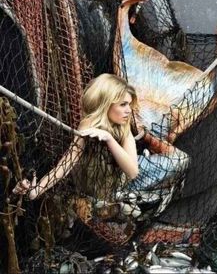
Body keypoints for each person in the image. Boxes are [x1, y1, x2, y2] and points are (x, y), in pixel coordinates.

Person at [12, 73, 140, 202]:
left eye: (129, 104)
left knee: (159, 164)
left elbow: (133, 172)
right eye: (123, 104)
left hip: (124, 182)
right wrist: (37, 190)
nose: (129, 110)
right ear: (106, 104)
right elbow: (67, 162)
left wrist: (109, 139)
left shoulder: (124, 127)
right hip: (97, 189)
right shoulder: (89, 124)